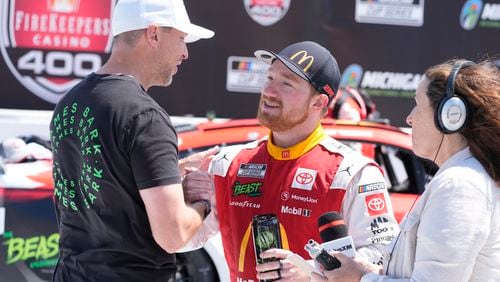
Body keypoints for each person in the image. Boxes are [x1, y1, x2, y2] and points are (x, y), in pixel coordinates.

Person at [183, 41, 399, 281]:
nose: (269, 91)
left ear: (319, 103)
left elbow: (383, 257)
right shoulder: (227, 163)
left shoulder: (353, 172)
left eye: (286, 83)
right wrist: (176, 198)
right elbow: (182, 241)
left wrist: (312, 271)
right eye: (270, 78)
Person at [49, 0, 215, 281]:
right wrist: (207, 203)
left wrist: (170, 173)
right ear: (153, 34)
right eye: (182, 39)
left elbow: (107, 181)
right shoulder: (145, 116)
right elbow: (173, 235)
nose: (185, 53)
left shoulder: (69, 102)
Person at [313, 59, 500, 281]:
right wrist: (369, 272)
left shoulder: (459, 185)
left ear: (451, 116)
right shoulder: (460, 178)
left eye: (418, 105)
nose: (409, 118)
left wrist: (359, 278)